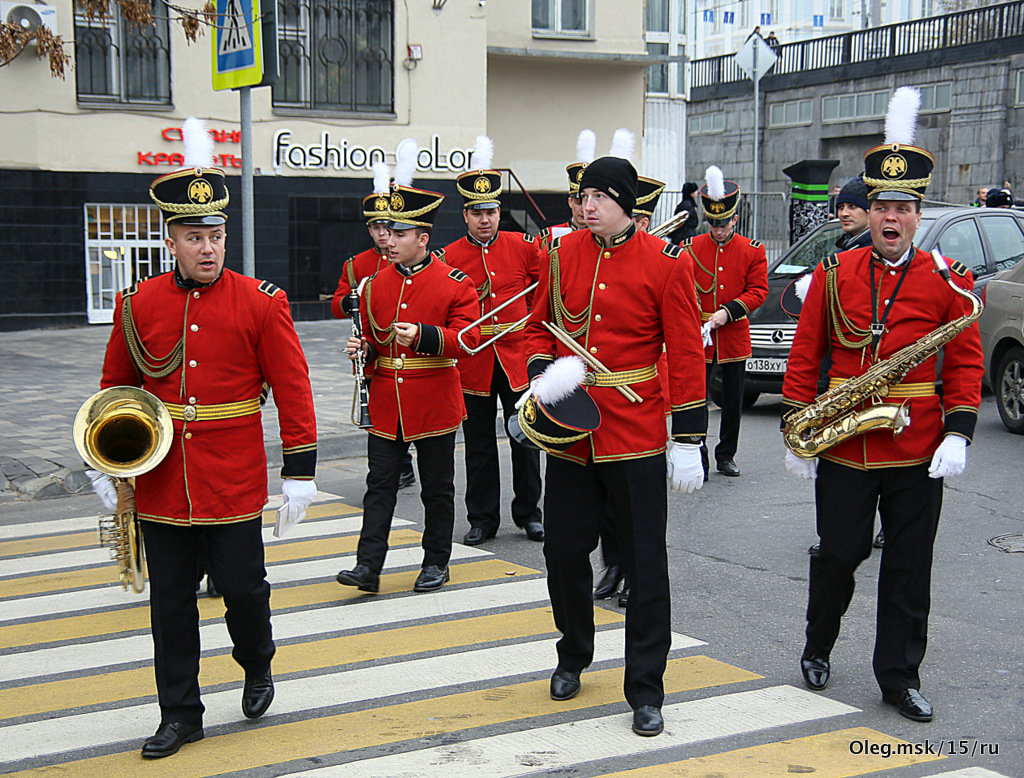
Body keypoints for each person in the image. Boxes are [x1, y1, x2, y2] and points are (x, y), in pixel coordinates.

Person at [89, 119, 319, 759]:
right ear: (171, 240)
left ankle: (258, 660)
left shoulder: (260, 303)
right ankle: (180, 713)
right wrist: (111, 467)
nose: (210, 249)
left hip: (233, 478)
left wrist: (299, 469)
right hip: (162, 481)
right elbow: (116, 388)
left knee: (244, 591)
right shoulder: (138, 304)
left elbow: (294, 390)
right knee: (170, 608)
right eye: (196, 238)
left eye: (216, 236)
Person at [782, 86, 983, 724]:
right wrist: (797, 431)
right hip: (843, 439)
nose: (890, 217)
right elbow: (805, 353)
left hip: (918, 446)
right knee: (838, 554)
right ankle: (819, 643)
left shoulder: (949, 280)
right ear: (867, 212)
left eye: (903, 206)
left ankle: (899, 677)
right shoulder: (836, 276)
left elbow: (968, 361)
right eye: (881, 206)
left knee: (908, 568)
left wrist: (961, 432)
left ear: (918, 213)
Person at [525, 155, 707, 737]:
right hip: (573, 433)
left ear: (626, 203)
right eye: (583, 196)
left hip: (634, 431)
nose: (587, 205)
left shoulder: (667, 263)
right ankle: (573, 652)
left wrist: (688, 437)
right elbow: (537, 326)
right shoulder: (561, 254)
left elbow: (684, 352)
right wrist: (541, 374)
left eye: (600, 196)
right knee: (562, 554)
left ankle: (646, 688)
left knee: (645, 564)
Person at [336, 181, 480, 595]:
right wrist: (361, 350)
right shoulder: (375, 285)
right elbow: (375, 343)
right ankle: (368, 566)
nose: (390, 241)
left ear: (423, 238)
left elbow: (467, 341)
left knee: (437, 488)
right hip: (386, 403)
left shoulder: (455, 283)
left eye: (400, 234)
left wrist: (422, 335)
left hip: (433, 400)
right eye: (388, 232)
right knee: (379, 485)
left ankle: (436, 561)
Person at [442, 137, 543, 546]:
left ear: (500, 211)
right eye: (477, 213)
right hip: (474, 363)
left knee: (526, 437)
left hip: (517, 357)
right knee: (479, 445)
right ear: (465, 215)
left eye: (491, 211)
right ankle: (482, 519)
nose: (485, 220)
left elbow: (542, 294)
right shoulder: (447, 257)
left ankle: (529, 513)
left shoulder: (522, 247)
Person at [807, 173, 883, 556]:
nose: (845, 212)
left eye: (854, 206)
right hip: (833, 373)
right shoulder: (843, 253)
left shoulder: (868, 253)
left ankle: (843, 534)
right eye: (841, 206)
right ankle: (838, 533)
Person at [331, 162, 416, 490]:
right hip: (372, 345)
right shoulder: (356, 265)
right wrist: (356, 295)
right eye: (377, 227)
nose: (383, 234)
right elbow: (336, 305)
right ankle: (393, 465)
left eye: (388, 227)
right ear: (369, 230)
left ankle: (405, 463)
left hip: (405, 344)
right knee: (379, 411)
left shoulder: (407, 258)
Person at [685, 166, 768, 478]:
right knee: (697, 399)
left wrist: (728, 311)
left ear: (735, 219)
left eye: (724, 223)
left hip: (732, 334)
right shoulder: (691, 248)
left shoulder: (752, 250)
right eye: (713, 224)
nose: (718, 230)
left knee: (733, 403)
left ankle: (726, 455)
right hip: (700, 335)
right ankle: (700, 455)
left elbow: (758, 291)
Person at [536, 129, 594, 254]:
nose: (584, 209)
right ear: (570, 202)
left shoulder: (604, 237)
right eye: (579, 202)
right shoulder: (548, 237)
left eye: (588, 202)